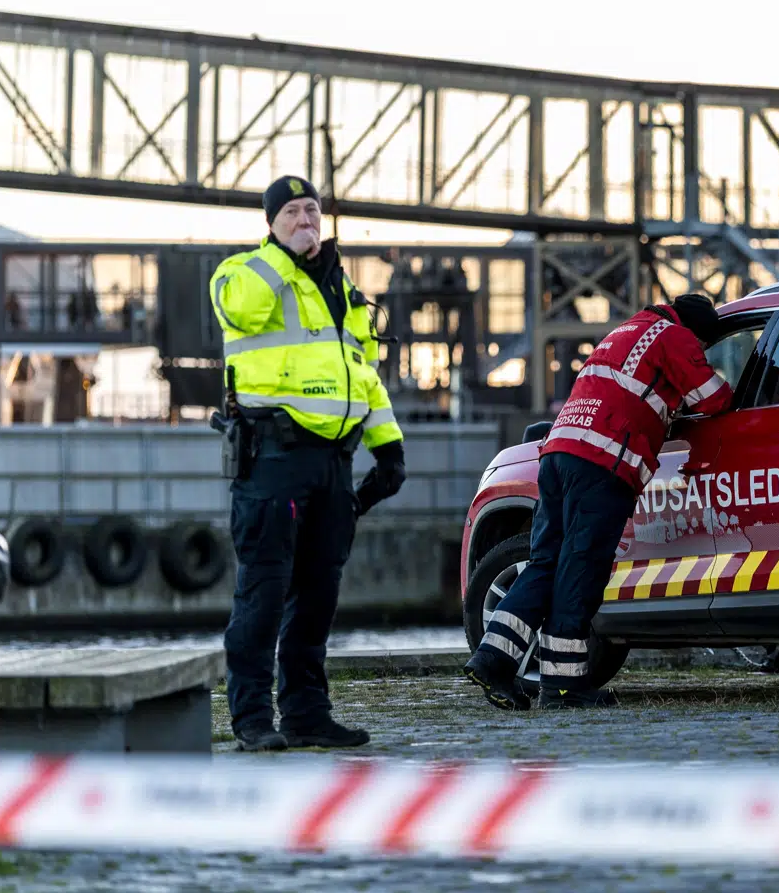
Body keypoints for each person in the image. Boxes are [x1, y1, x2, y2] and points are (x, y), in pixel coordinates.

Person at [209, 174, 407, 752]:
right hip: (273, 458)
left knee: (319, 593)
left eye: (312, 211)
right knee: (264, 591)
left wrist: (388, 448)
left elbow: (364, 375)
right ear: (271, 223)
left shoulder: (343, 291)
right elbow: (245, 311)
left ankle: (306, 714)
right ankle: (251, 718)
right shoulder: (243, 273)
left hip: (332, 463)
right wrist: (285, 256)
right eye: (292, 212)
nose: (305, 221)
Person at [465, 293, 733, 710]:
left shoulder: (626, 332)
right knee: (582, 568)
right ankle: (563, 687)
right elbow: (716, 398)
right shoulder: (675, 337)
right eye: (704, 345)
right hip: (602, 463)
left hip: (557, 455)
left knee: (546, 563)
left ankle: (492, 660)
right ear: (697, 333)